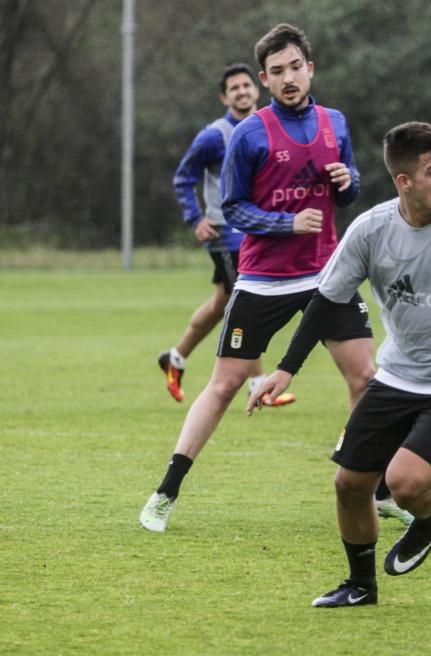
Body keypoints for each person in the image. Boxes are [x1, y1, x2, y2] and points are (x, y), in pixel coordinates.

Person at [246, 122, 431, 608]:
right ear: (403, 181)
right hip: (397, 373)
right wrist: (286, 368)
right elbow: (326, 300)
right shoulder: (371, 231)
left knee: (405, 482)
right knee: (349, 484)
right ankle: (360, 587)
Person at [140, 23, 376, 532]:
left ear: (309, 69)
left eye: (295, 67)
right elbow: (233, 209)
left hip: (327, 275)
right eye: (276, 72)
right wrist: (285, 223)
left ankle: (364, 486)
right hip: (265, 279)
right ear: (265, 81)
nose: (288, 77)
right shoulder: (248, 133)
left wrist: (347, 180)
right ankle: (166, 492)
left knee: (366, 378)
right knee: (225, 384)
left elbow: (351, 191)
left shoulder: (336, 122)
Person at [160, 63, 295, 408]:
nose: (242, 92)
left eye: (246, 86)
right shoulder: (214, 135)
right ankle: (258, 383)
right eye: (234, 88)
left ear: (257, 89)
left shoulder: (266, 126)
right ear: (224, 96)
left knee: (223, 303)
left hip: (254, 229)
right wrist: (195, 218)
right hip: (227, 233)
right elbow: (183, 178)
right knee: (246, 303)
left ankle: (175, 358)